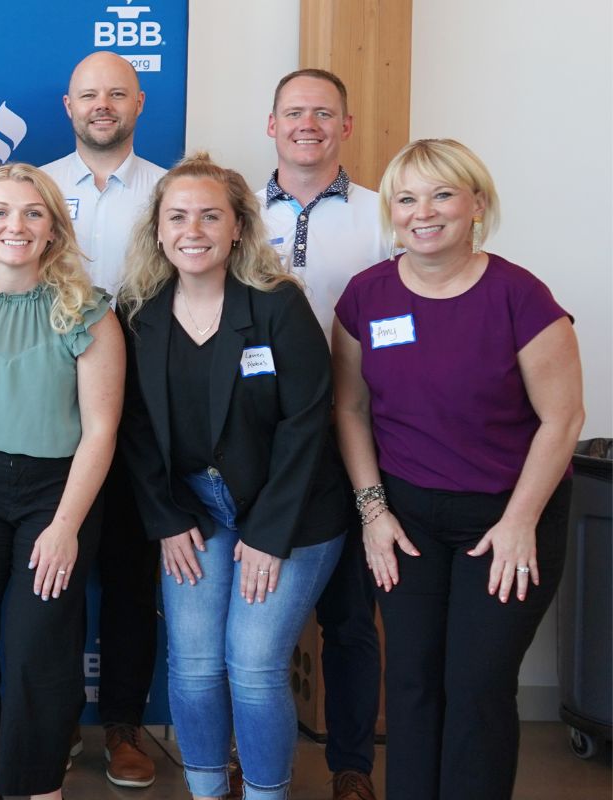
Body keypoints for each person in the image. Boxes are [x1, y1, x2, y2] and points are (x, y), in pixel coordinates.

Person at [332, 138, 583, 800]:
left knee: (476, 686)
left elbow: (562, 420)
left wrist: (521, 521)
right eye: (407, 198)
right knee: (411, 682)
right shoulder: (367, 296)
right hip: (406, 518)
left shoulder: (521, 298)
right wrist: (372, 511)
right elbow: (350, 408)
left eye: (442, 194)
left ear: (476, 204)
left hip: (506, 520)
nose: (424, 212)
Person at [116, 154, 351, 800]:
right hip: (192, 510)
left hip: (291, 513)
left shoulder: (278, 308)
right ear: (158, 232)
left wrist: (270, 534)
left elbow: (308, 425)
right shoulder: (138, 312)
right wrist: (165, 521)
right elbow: (133, 429)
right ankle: (207, 791)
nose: (194, 229)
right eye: (178, 216)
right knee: (192, 667)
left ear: (239, 228)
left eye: (211, 215)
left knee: (251, 666)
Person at [0, 164, 123, 800]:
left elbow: (99, 430)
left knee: (40, 645)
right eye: (1, 212)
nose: (16, 225)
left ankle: (38, 787)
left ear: (53, 230)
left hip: (56, 494)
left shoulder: (87, 312)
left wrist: (64, 527)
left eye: (33, 213)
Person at [260, 67, 397, 800]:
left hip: (355, 438)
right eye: (293, 112)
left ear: (345, 126)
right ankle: (241, 759)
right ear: (271, 126)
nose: (307, 123)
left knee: (349, 616)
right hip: (257, 445)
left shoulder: (385, 216)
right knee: (249, 622)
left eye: (323, 113)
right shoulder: (236, 213)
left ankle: (351, 767)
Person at [39, 51, 169, 791]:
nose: (102, 105)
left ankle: (122, 725)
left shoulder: (167, 191)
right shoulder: (37, 188)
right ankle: (53, 723)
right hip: (50, 411)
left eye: (116, 94)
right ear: (68, 104)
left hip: (145, 411)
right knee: (52, 577)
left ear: (139, 103)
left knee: (127, 574)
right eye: (89, 94)